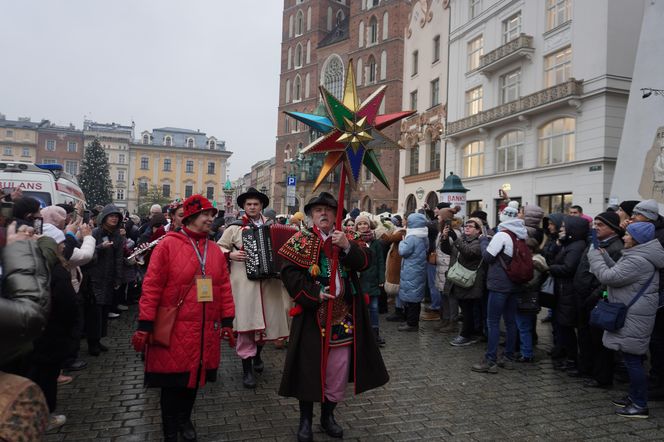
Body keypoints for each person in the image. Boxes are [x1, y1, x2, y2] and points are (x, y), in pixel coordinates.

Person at [277, 192, 388, 442]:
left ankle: (328, 416)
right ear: (311, 215)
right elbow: (289, 275)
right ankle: (305, 419)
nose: (324, 214)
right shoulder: (301, 239)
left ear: (337, 214)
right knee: (309, 368)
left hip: (344, 315)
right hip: (311, 316)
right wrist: (315, 292)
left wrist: (347, 247)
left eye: (329, 210)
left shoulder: (349, 237)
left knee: (337, 370)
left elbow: (365, 263)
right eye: (318, 210)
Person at [132, 195, 235, 441]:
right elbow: (152, 287)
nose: (211, 219)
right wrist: (145, 324)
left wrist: (228, 321)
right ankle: (170, 431)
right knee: (172, 384)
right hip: (174, 326)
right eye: (205, 215)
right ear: (189, 218)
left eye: (212, 214)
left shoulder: (214, 249)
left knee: (193, 380)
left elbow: (223, 287)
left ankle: (184, 419)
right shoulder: (167, 245)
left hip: (203, 328)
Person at [588, 222, 664, 418]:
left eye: (628, 235)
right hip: (635, 315)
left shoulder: (638, 260)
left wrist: (594, 256)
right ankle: (634, 396)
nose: (624, 237)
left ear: (637, 239)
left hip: (633, 317)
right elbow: (621, 273)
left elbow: (609, 276)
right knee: (633, 358)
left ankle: (639, 405)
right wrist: (604, 255)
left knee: (633, 360)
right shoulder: (640, 255)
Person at [218, 187, 291, 389]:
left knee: (264, 324)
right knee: (246, 325)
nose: (252, 207)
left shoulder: (273, 226)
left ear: (261, 207)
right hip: (244, 283)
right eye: (248, 204)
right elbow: (219, 247)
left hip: (269, 284)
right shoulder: (234, 228)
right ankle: (247, 368)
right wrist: (230, 255)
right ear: (243, 206)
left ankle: (257, 355)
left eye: (255, 204)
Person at [27, 232, 78, 430]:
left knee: (35, 373)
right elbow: (68, 304)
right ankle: (45, 416)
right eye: (61, 243)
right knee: (48, 376)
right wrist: (70, 327)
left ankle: (30, 411)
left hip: (33, 332)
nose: (64, 246)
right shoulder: (57, 271)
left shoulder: (29, 269)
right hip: (52, 332)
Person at [472, 205, 527, 373]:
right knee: (511, 322)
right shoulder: (520, 234)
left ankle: (490, 360)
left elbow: (488, 257)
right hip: (514, 283)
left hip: (499, 284)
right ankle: (508, 357)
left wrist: (483, 241)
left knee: (493, 321)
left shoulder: (502, 235)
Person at [573, 212, 624, 387]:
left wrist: (592, 297)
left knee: (599, 341)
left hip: (596, 299)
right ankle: (585, 368)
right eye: (594, 224)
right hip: (582, 296)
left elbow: (609, 278)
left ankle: (602, 377)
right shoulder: (595, 241)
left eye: (600, 225)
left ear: (613, 228)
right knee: (585, 336)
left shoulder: (616, 248)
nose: (595, 228)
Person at [550, 216, 589, 373]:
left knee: (567, 327)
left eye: (565, 227)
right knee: (563, 326)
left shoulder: (576, 247)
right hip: (563, 291)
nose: (561, 229)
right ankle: (569, 357)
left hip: (569, 292)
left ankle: (572, 359)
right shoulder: (569, 244)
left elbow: (568, 268)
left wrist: (550, 268)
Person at [83, 204, 124, 356]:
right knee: (95, 312)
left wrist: (118, 278)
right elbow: (87, 255)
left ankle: (98, 339)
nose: (114, 218)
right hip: (95, 277)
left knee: (104, 311)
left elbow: (119, 258)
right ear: (104, 218)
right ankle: (92, 342)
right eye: (111, 216)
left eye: (116, 216)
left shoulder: (118, 236)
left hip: (109, 279)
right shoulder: (95, 233)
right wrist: (100, 247)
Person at [440, 217, 485, 346]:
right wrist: (444, 238)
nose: (467, 228)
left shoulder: (478, 242)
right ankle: (469, 333)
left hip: (469, 282)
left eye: (471, 226)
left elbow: (469, 253)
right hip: (459, 280)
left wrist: (455, 239)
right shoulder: (463, 240)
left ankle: (466, 335)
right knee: (465, 309)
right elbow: (448, 251)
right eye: (466, 226)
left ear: (478, 230)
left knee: (467, 310)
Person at [355, 214, 386, 346]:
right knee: (360, 308)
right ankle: (361, 334)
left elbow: (380, 261)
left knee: (373, 308)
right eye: (360, 224)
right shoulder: (353, 240)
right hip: (359, 280)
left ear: (369, 225)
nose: (363, 226)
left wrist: (381, 278)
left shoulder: (376, 242)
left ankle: (375, 334)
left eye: (365, 223)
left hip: (372, 279)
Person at [397, 212, 429, 332]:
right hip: (418, 269)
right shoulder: (423, 236)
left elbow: (403, 251)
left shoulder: (412, 238)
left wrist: (402, 241)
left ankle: (411, 323)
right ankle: (411, 321)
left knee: (412, 298)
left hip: (411, 270)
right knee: (415, 296)